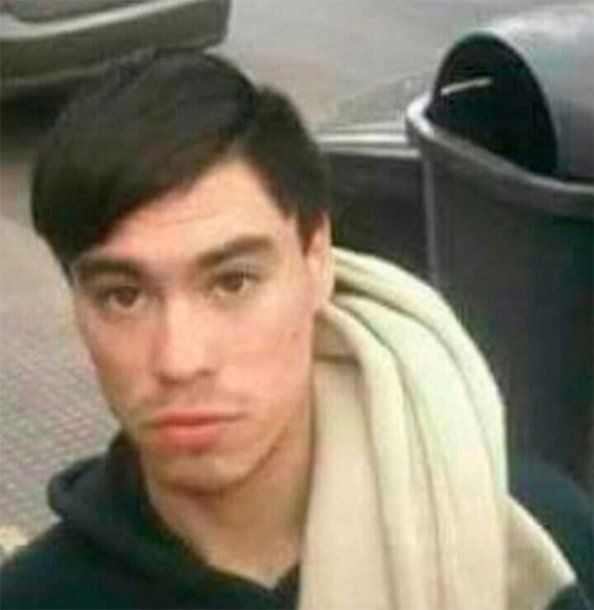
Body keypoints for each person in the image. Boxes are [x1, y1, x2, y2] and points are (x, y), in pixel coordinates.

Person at [0, 48, 589, 610]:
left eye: (233, 282)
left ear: (317, 260)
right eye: (123, 296)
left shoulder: (532, 542)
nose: (180, 359)